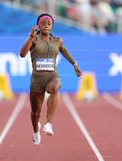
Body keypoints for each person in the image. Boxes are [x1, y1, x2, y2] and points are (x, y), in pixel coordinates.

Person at [20, 13, 82, 145]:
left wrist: (74, 64)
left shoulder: (57, 41)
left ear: (52, 25)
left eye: (49, 23)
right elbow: (22, 54)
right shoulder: (34, 40)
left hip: (52, 76)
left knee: (55, 87)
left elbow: (64, 51)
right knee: (35, 113)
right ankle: (36, 130)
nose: (46, 25)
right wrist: (31, 37)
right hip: (37, 80)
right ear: (38, 25)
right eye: (43, 23)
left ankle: (48, 123)